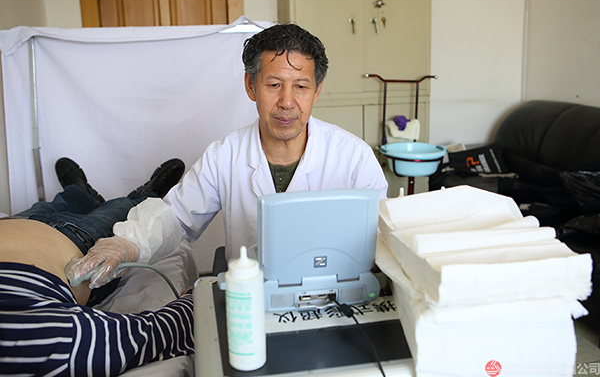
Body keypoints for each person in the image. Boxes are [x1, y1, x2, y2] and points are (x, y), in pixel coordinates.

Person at [69, 23, 389, 287]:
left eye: (301, 87)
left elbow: (382, 236)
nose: (287, 102)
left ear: (317, 90)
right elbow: (176, 217)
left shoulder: (353, 158)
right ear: (251, 86)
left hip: (335, 297)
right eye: (274, 85)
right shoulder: (225, 156)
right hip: (249, 297)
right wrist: (128, 243)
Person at [0, 158, 194, 377]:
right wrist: (196, 298)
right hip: (75, 240)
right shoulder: (38, 342)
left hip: (16, 222)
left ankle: (79, 191)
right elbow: (160, 331)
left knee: (57, 203)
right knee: (120, 210)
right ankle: (148, 195)